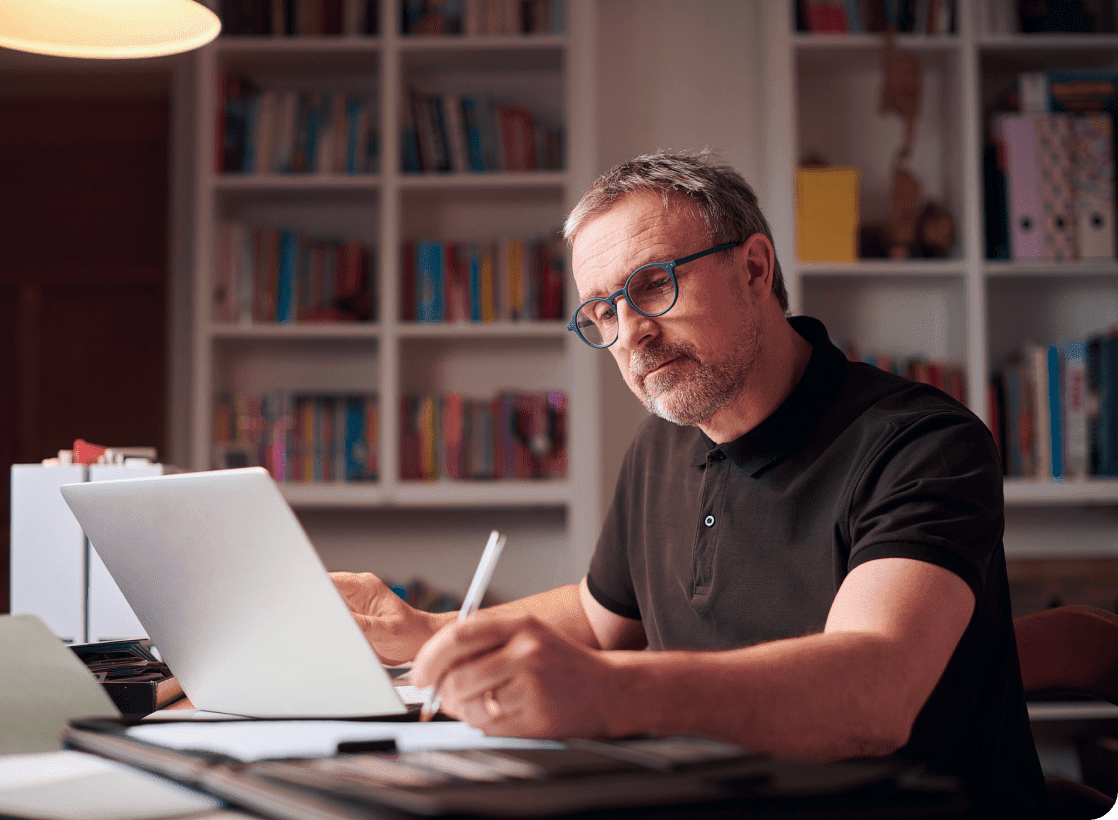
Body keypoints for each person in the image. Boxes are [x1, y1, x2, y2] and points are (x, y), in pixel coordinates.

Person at [332, 152, 1050, 818]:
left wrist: (610, 694)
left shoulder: (921, 442)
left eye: (653, 285)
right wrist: (430, 631)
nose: (630, 334)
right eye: (603, 312)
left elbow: (875, 694)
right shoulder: (662, 445)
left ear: (755, 269)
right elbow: (599, 618)